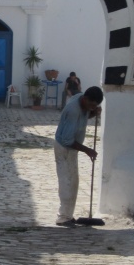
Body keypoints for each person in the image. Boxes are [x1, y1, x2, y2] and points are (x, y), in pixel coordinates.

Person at [54, 86, 103, 227]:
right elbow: (68, 140)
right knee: (66, 182)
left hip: (71, 148)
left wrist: (94, 113)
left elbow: (86, 114)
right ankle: (63, 218)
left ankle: (68, 215)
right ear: (85, 99)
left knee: (73, 182)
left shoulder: (84, 102)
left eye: (95, 105)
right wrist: (88, 150)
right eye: (91, 105)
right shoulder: (73, 111)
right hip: (64, 148)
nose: (92, 107)